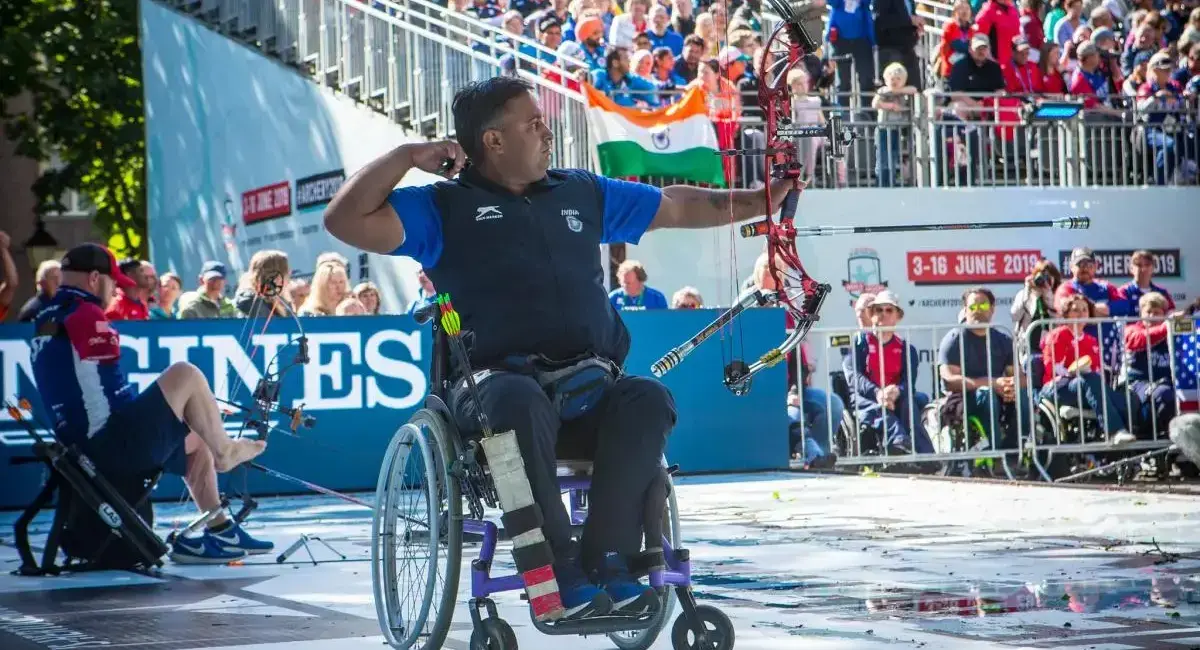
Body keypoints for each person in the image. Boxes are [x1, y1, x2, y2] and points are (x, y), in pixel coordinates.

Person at [323, 76, 797, 621]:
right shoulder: (441, 208)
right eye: (534, 123)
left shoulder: (581, 192)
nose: (548, 133)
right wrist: (407, 155)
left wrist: (761, 200)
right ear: (494, 141)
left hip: (586, 387)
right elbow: (344, 219)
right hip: (493, 396)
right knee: (516, 401)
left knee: (647, 398)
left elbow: (676, 205)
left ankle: (608, 563)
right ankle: (557, 574)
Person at [29, 244, 271, 564]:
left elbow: (91, 385)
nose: (116, 289)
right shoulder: (85, 313)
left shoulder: (46, 316)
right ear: (93, 279)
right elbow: (110, 388)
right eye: (112, 282)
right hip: (110, 444)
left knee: (197, 436)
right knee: (185, 374)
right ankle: (225, 452)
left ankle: (221, 530)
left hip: (82, 447)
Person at [937, 287, 1025, 452]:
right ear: (965, 310)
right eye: (972, 307)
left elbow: (1019, 376)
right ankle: (994, 451)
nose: (977, 310)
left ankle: (1021, 449)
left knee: (1022, 394)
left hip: (999, 395)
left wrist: (1011, 384)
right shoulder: (954, 339)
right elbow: (949, 380)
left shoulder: (1003, 339)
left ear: (992, 309)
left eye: (983, 306)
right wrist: (991, 383)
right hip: (963, 399)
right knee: (986, 393)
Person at [843, 290, 931, 454]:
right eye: (879, 310)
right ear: (872, 314)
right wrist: (878, 393)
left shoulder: (906, 349)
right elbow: (854, 376)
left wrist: (896, 392)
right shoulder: (859, 343)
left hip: (894, 396)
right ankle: (899, 443)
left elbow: (908, 382)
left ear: (897, 316)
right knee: (881, 409)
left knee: (908, 405)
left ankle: (927, 456)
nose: (883, 314)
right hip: (865, 398)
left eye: (889, 310)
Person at [1040, 293, 1134, 445]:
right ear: (1067, 314)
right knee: (1089, 380)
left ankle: (1137, 437)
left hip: (1085, 386)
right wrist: (1074, 372)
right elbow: (1052, 367)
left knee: (1129, 400)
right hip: (1056, 387)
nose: (1081, 313)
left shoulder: (1091, 340)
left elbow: (1096, 372)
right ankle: (1115, 432)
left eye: (1084, 310)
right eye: (1075, 310)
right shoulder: (1058, 335)